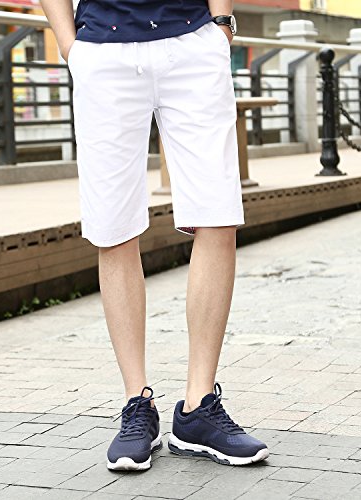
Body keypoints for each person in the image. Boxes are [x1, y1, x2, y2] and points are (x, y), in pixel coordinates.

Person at [41, 0, 269, 471]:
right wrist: (69, 45)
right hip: (103, 48)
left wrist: (221, 25)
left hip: (193, 40)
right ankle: (136, 402)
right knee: (113, 225)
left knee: (217, 212)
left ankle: (198, 407)